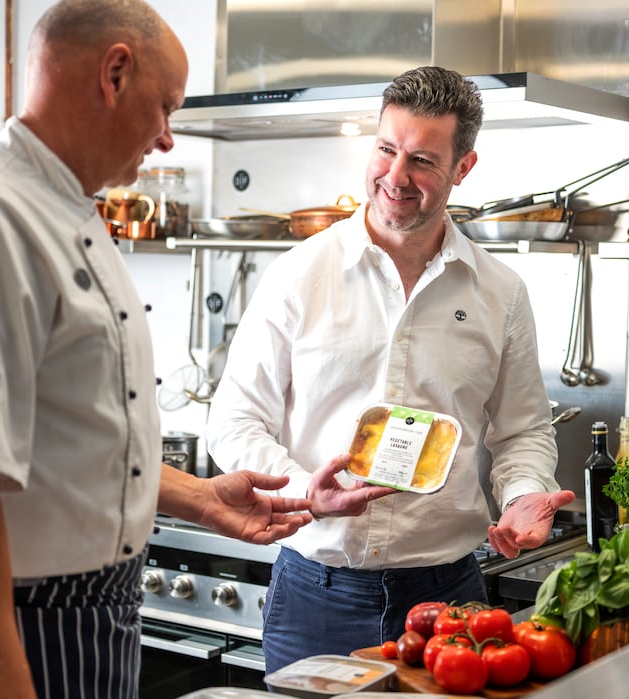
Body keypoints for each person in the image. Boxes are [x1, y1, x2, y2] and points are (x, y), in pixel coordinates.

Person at [0, 2, 312, 697]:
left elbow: (68, 440)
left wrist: (200, 497)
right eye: (165, 107)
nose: (166, 137)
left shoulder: (71, 215)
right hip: (15, 620)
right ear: (115, 73)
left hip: (84, 615)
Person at [206, 65, 576, 672]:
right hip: (315, 593)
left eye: (422, 161)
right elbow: (234, 421)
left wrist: (522, 494)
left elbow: (523, 431)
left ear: (463, 168)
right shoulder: (299, 274)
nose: (395, 177)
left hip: (450, 599)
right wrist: (305, 491)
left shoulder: (500, 292)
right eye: (385, 149)